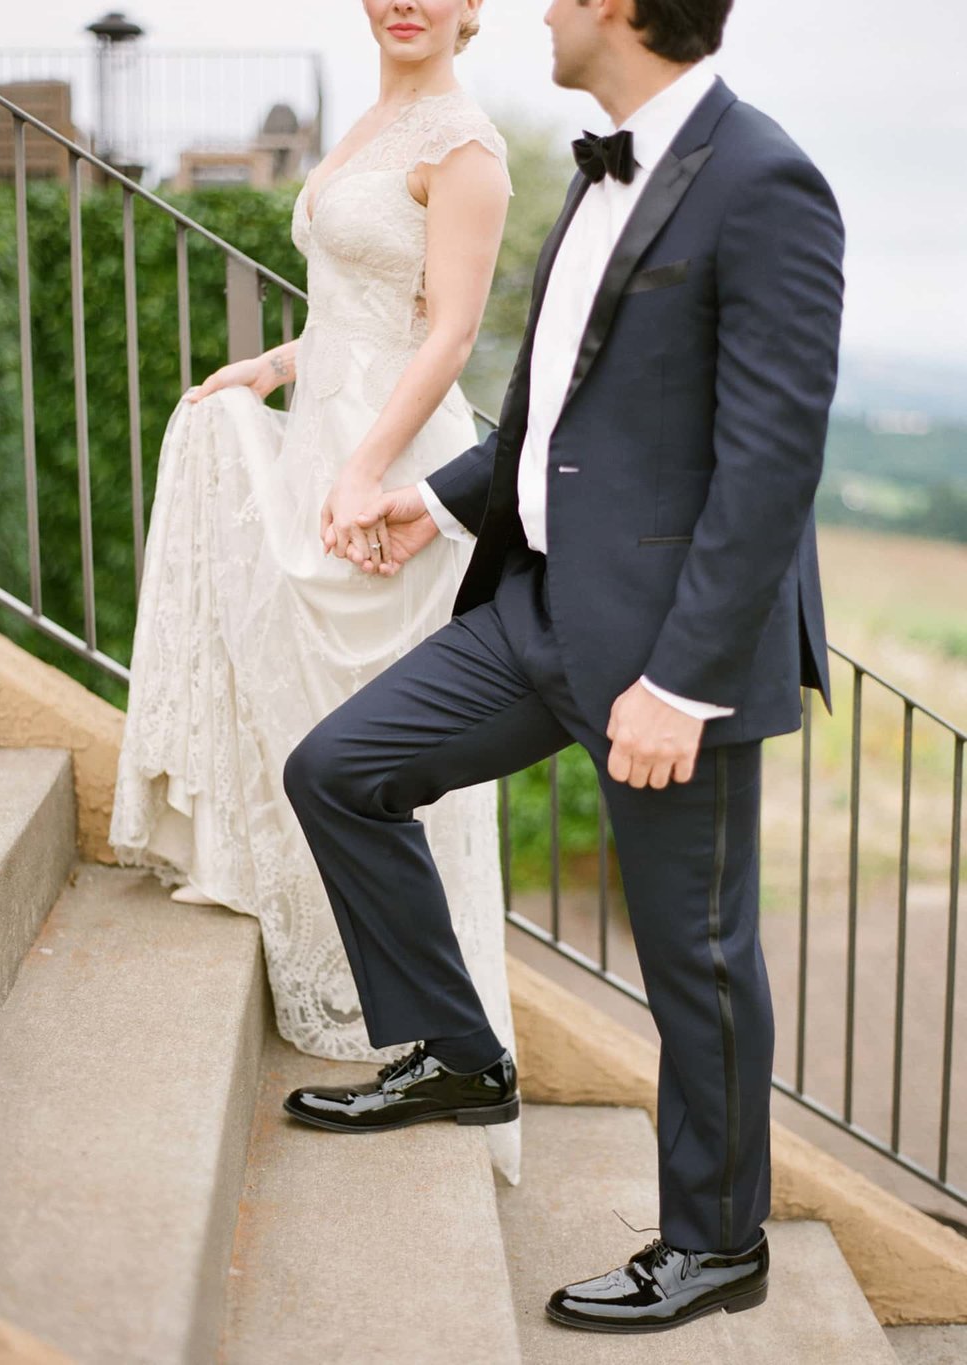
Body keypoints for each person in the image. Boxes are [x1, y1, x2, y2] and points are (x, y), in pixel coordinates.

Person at [281, 0, 845, 1336]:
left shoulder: (764, 180)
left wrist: (688, 684)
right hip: (538, 608)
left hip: (667, 657)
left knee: (694, 956)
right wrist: (438, 502)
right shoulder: (602, 165)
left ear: (620, 7)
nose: (539, 7)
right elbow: (564, 414)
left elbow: (771, 465)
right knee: (340, 771)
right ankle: (463, 1057)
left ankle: (716, 1244)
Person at [108, 0, 524, 1185]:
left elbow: (444, 335)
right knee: (309, 711)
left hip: (390, 454)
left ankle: (435, 1031)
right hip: (327, 427)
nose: (405, 1)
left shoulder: (467, 149)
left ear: (469, 11)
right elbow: (358, 309)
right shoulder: (373, 119)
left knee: (375, 730)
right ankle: (346, 961)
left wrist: (359, 469)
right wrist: (273, 365)